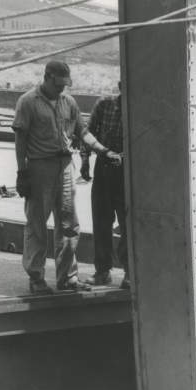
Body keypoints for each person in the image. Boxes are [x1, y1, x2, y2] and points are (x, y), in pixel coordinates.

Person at [12, 61, 122, 295]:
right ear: (47, 77)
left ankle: (68, 278)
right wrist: (22, 172)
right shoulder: (28, 102)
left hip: (64, 167)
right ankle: (36, 278)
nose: (62, 89)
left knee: (69, 225)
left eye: (65, 84)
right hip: (39, 168)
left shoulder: (68, 102)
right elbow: (20, 140)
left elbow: (83, 132)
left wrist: (103, 150)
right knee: (37, 225)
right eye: (58, 84)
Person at [79, 81, 130, 290]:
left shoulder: (142, 109)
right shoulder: (104, 104)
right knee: (101, 221)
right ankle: (102, 272)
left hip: (129, 171)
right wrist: (84, 161)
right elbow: (88, 133)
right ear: (120, 86)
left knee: (128, 225)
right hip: (104, 167)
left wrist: (124, 158)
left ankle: (130, 272)